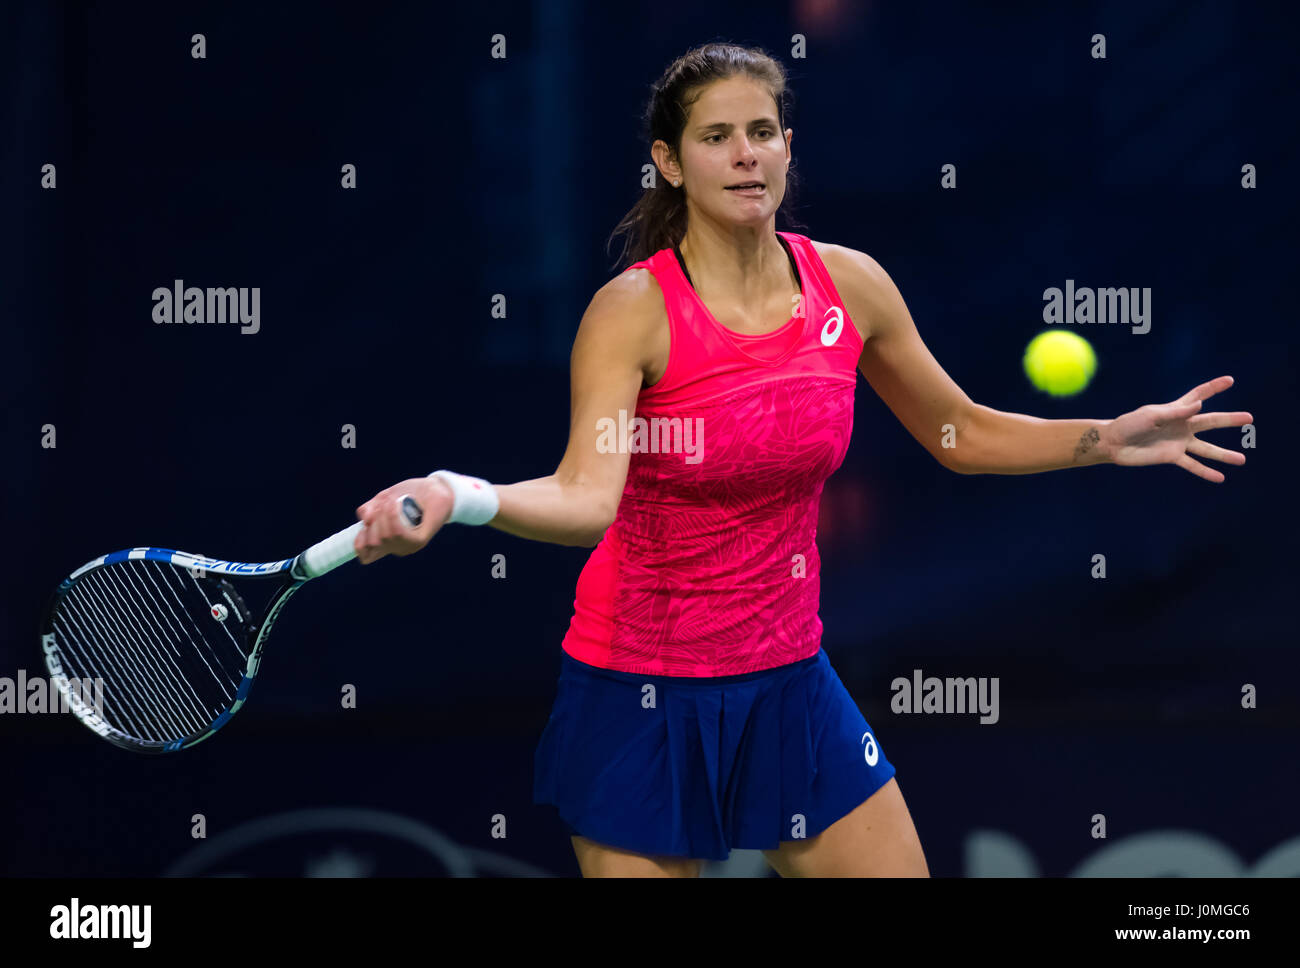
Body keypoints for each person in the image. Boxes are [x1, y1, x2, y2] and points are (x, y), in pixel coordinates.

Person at [350, 43, 1252, 877]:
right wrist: (458, 494)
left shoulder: (848, 285)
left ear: (787, 147)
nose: (745, 155)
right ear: (670, 162)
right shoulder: (632, 312)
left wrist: (1105, 438)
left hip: (788, 680)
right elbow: (587, 499)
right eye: (715, 137)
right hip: (640, 691)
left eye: (761, 133)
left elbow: (959, 433)